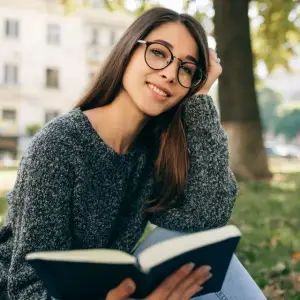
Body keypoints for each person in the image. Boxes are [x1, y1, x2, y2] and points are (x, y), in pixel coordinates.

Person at [0, 7, 266, 300]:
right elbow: (25, 288)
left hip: (113, 290)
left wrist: (201, 98)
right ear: (128, 51)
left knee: (209, 260)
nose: (169, 74)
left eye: (187, 69)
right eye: (159, 53)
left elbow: (208, 215)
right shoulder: (60, 144)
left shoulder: (152, 151)